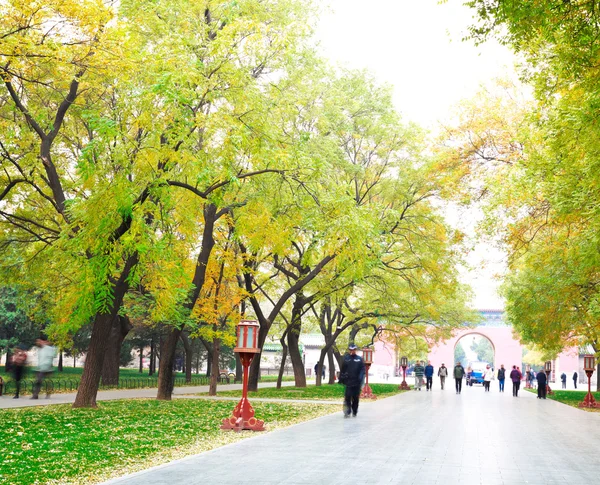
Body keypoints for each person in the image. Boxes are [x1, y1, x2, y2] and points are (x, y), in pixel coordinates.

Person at [340, 344, 365, 418]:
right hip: (348, 382)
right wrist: (342, 378)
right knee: (347, 397)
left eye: (353, 350)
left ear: (355, 350)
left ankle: (354, 411)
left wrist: (360, 378)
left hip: (357, 382)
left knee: (355, 398)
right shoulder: (346, 359)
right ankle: (347, 412)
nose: (352, 351)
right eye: (351, 350)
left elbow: (362, 370)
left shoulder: (359, 359)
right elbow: (343, 369)